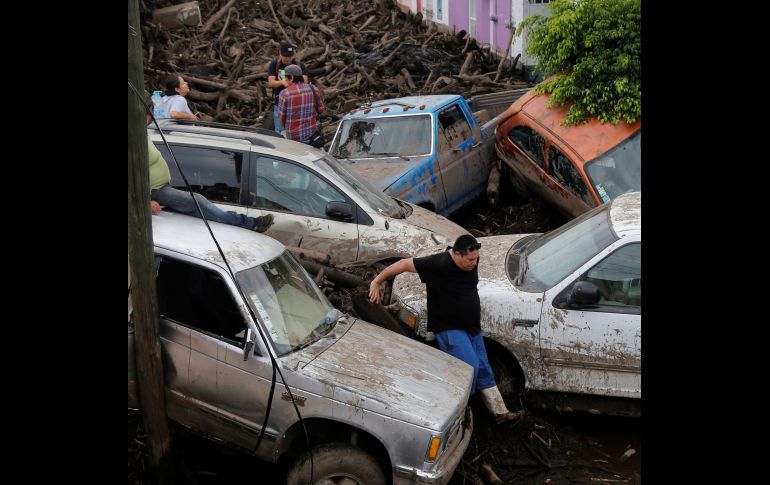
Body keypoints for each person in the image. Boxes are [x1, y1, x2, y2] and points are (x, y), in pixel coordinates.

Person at [368, 235, 523, 425]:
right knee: (468, 370)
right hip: (450, 328)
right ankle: (459, 416)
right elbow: (402, 264)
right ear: (457, 254)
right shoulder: (438, 264)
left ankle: (500, 413)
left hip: (472, 327)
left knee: (483, 369)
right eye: (470, 260)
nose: (474, 263)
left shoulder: (471, 257)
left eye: (476, 259)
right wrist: (377, 282)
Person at [143, 97, 273, 232]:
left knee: (197, 209)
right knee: (198, 201)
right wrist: (145, 203)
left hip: (160, 186)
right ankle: (248, 223)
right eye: (150, 112)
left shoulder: (142, 132)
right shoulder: (133, 137)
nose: (152, 117)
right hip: (155, 190)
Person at [276, 64, 324, 145]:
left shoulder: (284, 94)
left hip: (293, 139)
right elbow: (321, 110)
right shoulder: (313, 89)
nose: (284, 80)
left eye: (285, 78)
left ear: (291, 77)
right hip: (312, 137)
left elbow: (282, 118)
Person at [267, 41, 307, 133]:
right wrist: (282, 82)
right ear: (280, 54)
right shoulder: (275, 64)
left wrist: (292, 85)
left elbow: (305, 82)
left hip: (296, 102)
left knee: (295, 129)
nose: (288, 59)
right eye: (285, 56)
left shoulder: (299, 65)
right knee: (280, 129)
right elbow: (271, 83)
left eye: (290, 56)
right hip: (280, 102)